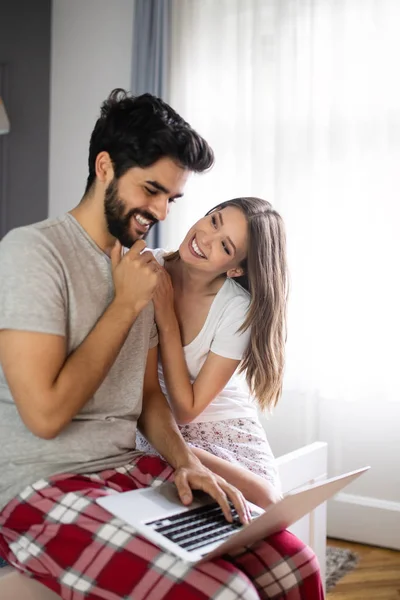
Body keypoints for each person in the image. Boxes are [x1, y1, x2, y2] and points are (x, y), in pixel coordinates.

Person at [0, 89, 324, 599]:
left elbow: (149, 398)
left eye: (170, 199)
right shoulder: (34, 252)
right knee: (227, 593)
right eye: (150, 190)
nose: (160, 211)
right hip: (42, 483)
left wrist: (186, 461)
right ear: (104, 166)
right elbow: (44, 415)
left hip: (128, 468)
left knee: (295, 568)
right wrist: (126, 304)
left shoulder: (144, 269)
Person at [136, 197, 286, 510]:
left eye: (225, 246)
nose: (205, 238)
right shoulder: (146, 267)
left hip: (221, 424)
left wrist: (165, 315)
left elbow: (188, 409)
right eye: (214, 221)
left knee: (267, 501)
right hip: (159, 421)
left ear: (235, 268)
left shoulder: (236, 308)